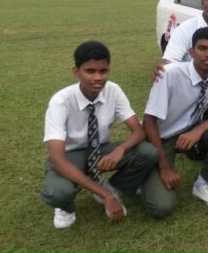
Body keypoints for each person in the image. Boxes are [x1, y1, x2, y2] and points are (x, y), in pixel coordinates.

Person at [41, 41, 157, 229]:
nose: (98, 78)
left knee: (148, 151)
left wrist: (120, 150)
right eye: (90, 71)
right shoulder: (60, 101)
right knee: (58, 192)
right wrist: (106, 196)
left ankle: (114, 186)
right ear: (76, 72)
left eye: (103, 71)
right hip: (70, 155)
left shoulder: (113, 90)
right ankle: (66, 206)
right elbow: (57, 160)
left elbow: (138, 130)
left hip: (100, 149)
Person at [142, 27, 208, 217]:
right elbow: (149, 122)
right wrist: (165, 168)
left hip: (189, 130)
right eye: (202, 48)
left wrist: (197, 131)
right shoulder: (169, 74)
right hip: (161, 136)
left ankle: (204, 184)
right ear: (191, 52)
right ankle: (144, 174)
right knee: (161, 207)